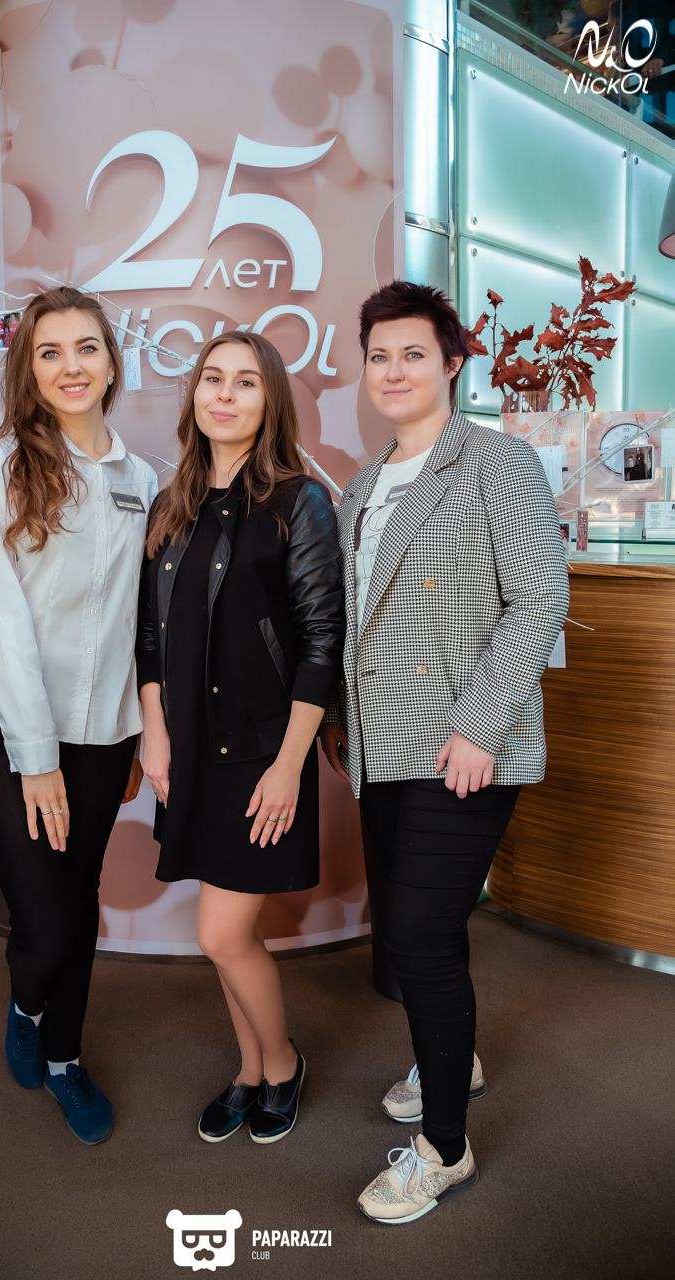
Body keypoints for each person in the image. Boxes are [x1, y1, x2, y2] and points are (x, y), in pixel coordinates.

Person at [319, 282, 569, 1224]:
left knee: (418, 939)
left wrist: (478, 722)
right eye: (378, 356)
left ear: (452, 363)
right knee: (424, 932)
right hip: (380, 744)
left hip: (462, 746)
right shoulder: (360, 483)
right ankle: (448, 1060)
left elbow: (539, 598)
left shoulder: (496, 460)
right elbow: (355, 623)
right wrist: (340, 721)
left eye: (412, 354)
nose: (393, 371)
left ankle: (444, 1152)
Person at [0, 286, 156, 1144]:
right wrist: (36, 758)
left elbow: (140, 620)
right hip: (6, 724)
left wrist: (140, 733)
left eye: (85, 348)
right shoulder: (0, 465)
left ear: (111, 363)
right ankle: (26, 1008)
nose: (70, 366)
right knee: (43, 927)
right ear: (29, 370)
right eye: (49, 352)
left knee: (78, 899)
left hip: (104, 731)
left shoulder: (142, 478)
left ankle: (67, 1059)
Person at [136, 331, 344, 1145]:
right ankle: (250, 1070)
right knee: (230, 938)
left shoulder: (299, 502)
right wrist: (154, 734)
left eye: (245, 382)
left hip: (262, 754)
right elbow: (148, 638)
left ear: (270, 402)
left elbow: (321, 643)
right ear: (194, 394)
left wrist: (290, 766)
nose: (223, 394)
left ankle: (283, 1063)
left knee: (219, 935)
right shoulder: (172, 503)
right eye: (211, 379)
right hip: (189, 750)